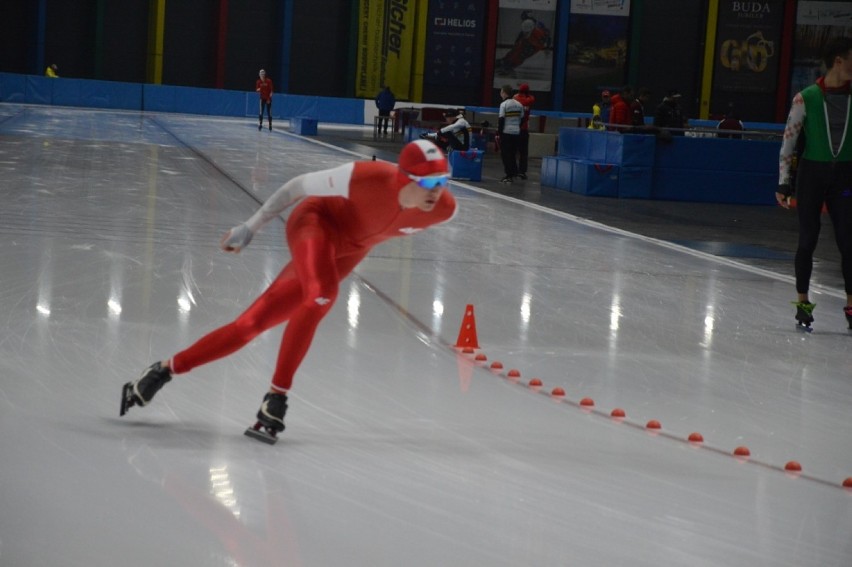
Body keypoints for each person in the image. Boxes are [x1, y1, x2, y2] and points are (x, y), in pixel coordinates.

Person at [119, 140, 458, 441]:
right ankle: (276, 397)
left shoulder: (444, 209)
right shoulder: (365, 176)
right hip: (316, 224)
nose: (436, 191)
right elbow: (297, 187)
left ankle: (163, 369)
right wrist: (251, 227)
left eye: (442, 182)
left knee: (250, 326)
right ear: (403, 178)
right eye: (428, 182)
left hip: (350, 250)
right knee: (322, 294)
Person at [777, 36, 852, 331]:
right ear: (839, 61)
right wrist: (784, 183)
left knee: (848, 241)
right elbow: (788, 142)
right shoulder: (805, 97)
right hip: (812, 176)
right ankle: (803, 305)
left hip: (845, 178)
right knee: (807, 241)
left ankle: (850, 306)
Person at [497, 84, 524, 183]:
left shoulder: (503, 105)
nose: (500, 94)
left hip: (506, 132)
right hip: (516, 132)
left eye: (501, 92)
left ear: (504, 93)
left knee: (505, 154)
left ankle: (508, 175)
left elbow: (501, 120)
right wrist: (517, 127)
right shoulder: (519, 104)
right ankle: (514, 172)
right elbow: (522, 119)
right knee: (513, 154)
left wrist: (500, 133)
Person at [513, 83, 535, 179]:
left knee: (513, 151)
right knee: (523, 152)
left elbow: (516, 96)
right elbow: (531, 98)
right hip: (524, 128)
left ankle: (513, 169)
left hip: (514, 128)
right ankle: (522, 171)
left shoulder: (515, 98)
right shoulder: (529, 99)